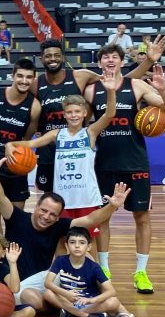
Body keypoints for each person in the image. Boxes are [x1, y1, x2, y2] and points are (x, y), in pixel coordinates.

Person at [0, 147, 140, 317]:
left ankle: (120, 310)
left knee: (84, 256)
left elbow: (90, 219)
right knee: (31, 299)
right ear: (36, 207)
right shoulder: (16, 217)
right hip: (21, 283)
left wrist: (112, 206)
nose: (46, 217)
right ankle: (71, 310)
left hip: (48, 278)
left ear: (58, 217)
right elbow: (0, 196)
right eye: (43, 210)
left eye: (52, 214)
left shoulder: (58, 225)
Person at [88, 52, 165, 293]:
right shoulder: (91, 90)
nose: (110, 61)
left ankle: (141, 272)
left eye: (114, 57)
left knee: (142, 217)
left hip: (135, 162)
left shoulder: (136, 85)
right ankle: (104, 269)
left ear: (121, 61)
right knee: (102, 217)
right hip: (104, 163)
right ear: (99, 63)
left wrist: (162, 91)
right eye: (105, 58)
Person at [30, 37, 161, 194]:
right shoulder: (35, 84)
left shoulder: (81, 76)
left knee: (78, 197)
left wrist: (148, 61)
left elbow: (118, 81)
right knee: (49, 197)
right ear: (41, 59)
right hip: (48, 149)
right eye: (48, 56)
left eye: (57, 55)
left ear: (63, 57)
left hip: (76, 147)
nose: (53, 59)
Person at [10, 87, 119, 234]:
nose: (73, 115)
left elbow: (110, 114)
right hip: (63, 199)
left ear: (85, 113)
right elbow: (30, 144)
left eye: (77, 112)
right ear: (64, 115)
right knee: (61, 240)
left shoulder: (90, 132)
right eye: (69, 112)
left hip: (86, 198)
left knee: (87, 239)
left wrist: (111, 91)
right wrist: (9, 145)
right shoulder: (56, 134)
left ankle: (91, 259)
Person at [0, 58, 40, 230]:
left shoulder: (34, 106)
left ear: (33, 79)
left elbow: (26, 139)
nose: (24, 81)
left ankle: (13, 255)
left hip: (16, 166)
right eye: (20, 76)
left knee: (16, 216)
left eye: (29, 77)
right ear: (12, 76)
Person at [45, 227, 124, 317]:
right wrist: (66, 294)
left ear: (89, 247)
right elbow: (47, 283)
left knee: (114, 302)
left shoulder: (94, 267)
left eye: (82, 243)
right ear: (66, 245)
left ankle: (71, 314)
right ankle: (84, 316)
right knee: (48, 293)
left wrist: (90, 300)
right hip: (68, 300)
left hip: (88, 303)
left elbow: (111, 291)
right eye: (72, 242)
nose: (77, 246)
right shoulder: (60, 260)